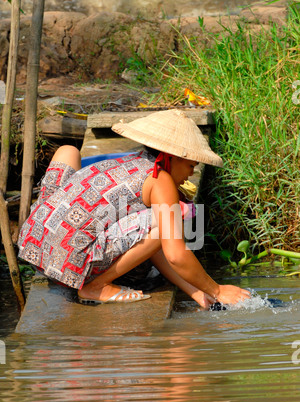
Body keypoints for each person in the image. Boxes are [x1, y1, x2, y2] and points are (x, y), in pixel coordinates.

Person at [18, 109, 250, 308]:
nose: (191, 173)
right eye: (191, 165)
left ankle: (76, 264)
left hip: (35, 244)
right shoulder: (161, 180)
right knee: (166, 224)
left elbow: (150, 246)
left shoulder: (132, 160)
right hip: (67, 264)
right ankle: (95, 286)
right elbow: (175, 254)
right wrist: (217, 290)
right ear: (173, 158)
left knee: (68, 151)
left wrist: (197, 291)